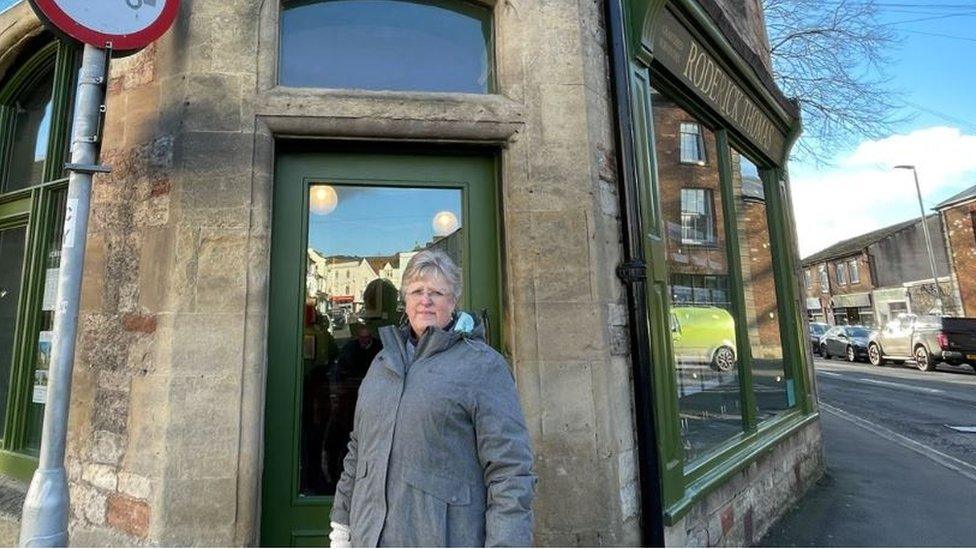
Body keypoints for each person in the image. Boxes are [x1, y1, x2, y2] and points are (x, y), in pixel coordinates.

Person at [329, 250, 536, 547]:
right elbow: (358, 450)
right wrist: (342, 528)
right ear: (406, 300)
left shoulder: (483, 366)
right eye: (416, 291)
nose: (425, 300)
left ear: (452, 302)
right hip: (369, 537)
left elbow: (510, 470)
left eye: (437, 292)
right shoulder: (382, 363)